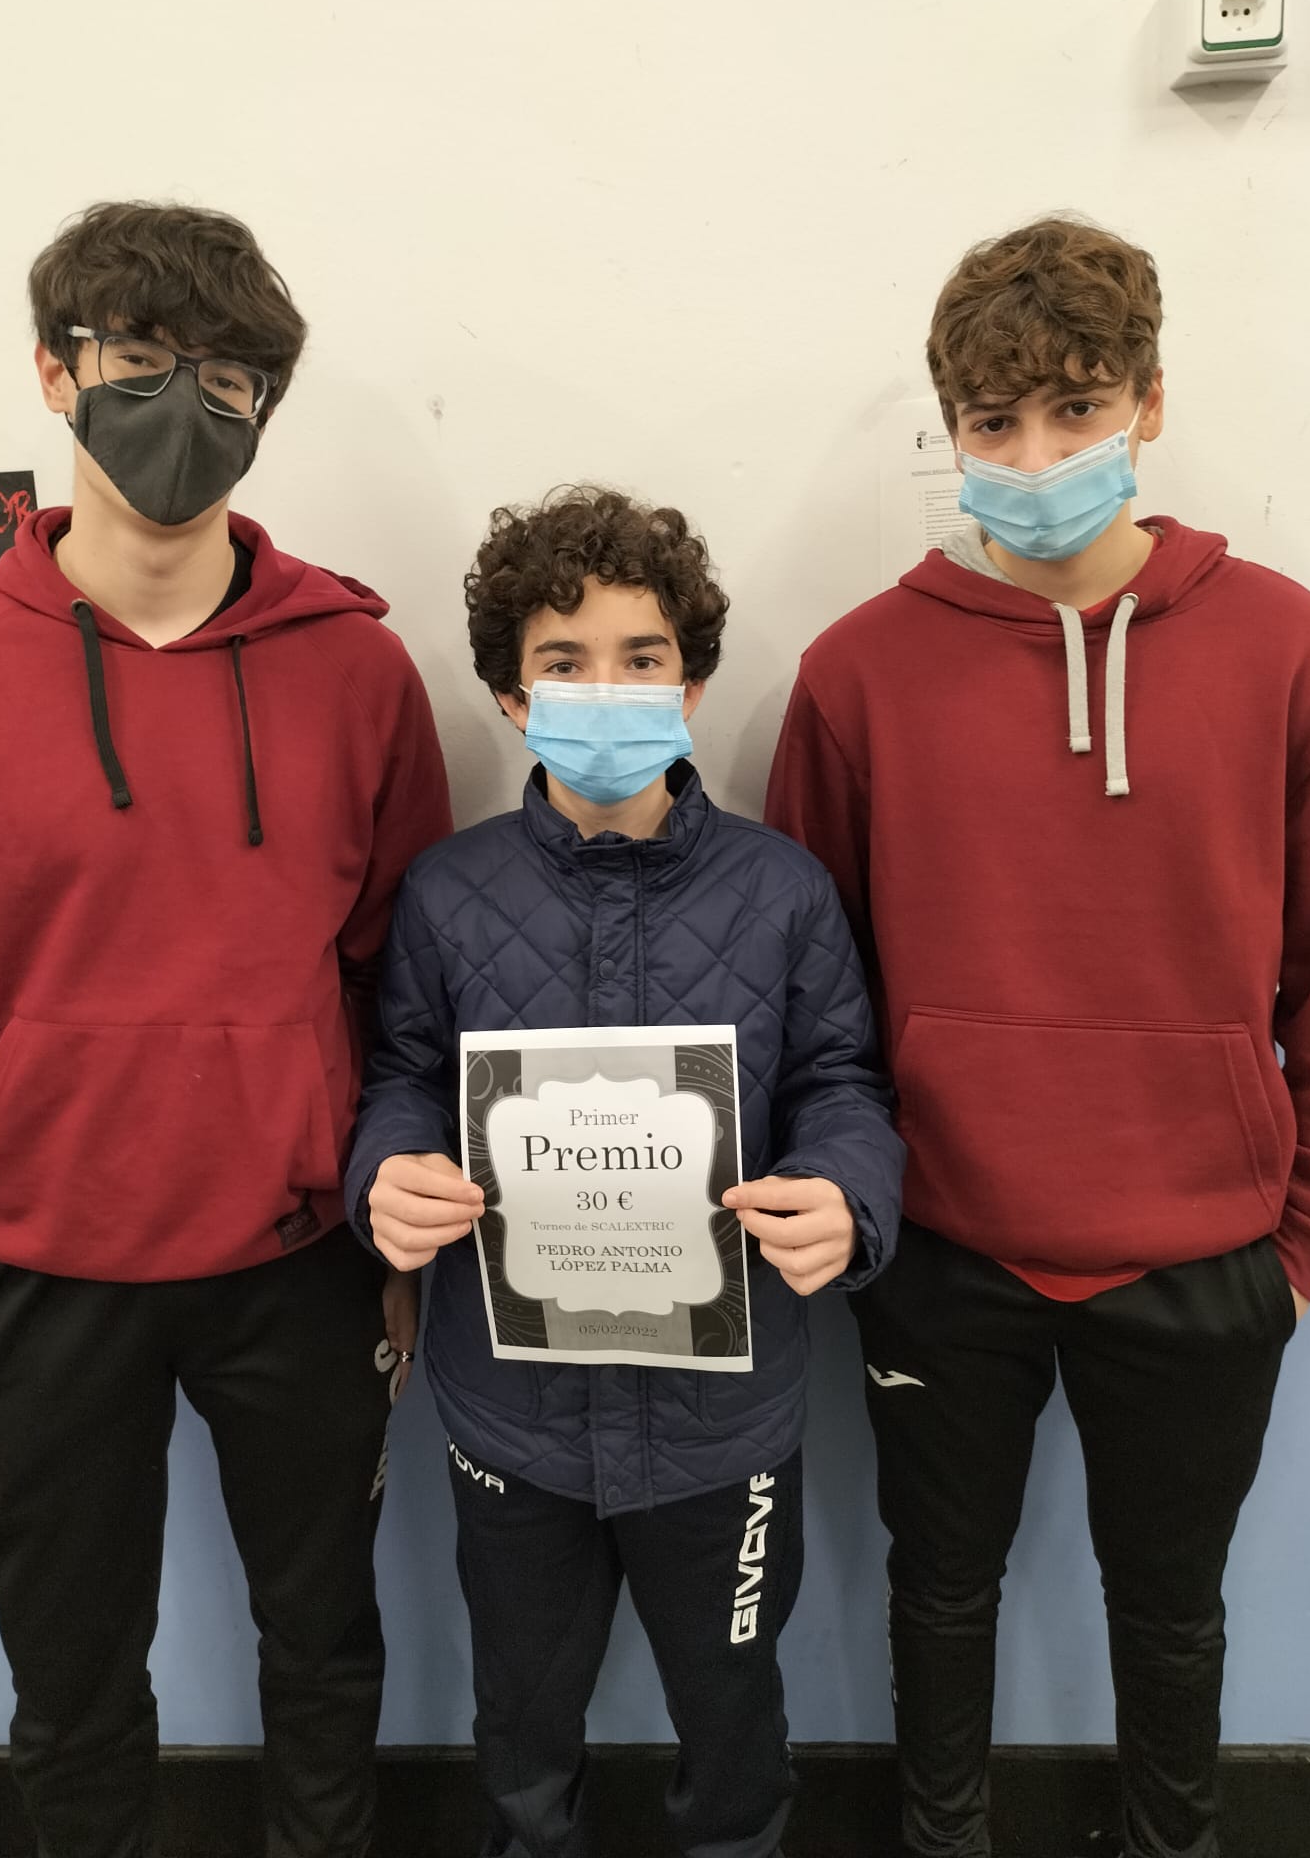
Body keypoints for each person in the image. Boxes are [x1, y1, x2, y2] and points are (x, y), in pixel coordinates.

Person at [0, 200, 450, 1858]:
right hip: (39, 1269)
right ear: (56, 374)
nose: (187, 405)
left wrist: (396, 1247)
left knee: (325, 1652)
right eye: (139, 360)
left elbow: (403, 987)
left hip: (304, 1255)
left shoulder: (359, 672)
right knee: (72, 1686)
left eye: (230, 376)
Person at [766, 214, 1310, 1858]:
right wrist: (860, 1199)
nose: (1035, 460)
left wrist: (1307, 1241)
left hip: (1210, 1250)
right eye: (995, 423)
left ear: (1150, 402)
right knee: (938, 1591)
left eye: (1077, 410)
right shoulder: (859, 673)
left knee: (1173, 1607)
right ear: (953, 431)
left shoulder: (1291, 648)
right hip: (943, 1247)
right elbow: (813, 988)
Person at [344, 486, 903, 1858]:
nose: (606, 688)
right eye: (563, 659)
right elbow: (403, 1071)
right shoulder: (447, 892)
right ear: (509, 695)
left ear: (692, 684)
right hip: (510, 1410)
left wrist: (847, 1195)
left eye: (642, 658)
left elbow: (841, 1081)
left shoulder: (784, 890)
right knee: (521, 1717)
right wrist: (390, 1168)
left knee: (734, 1712)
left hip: (728, 1417)